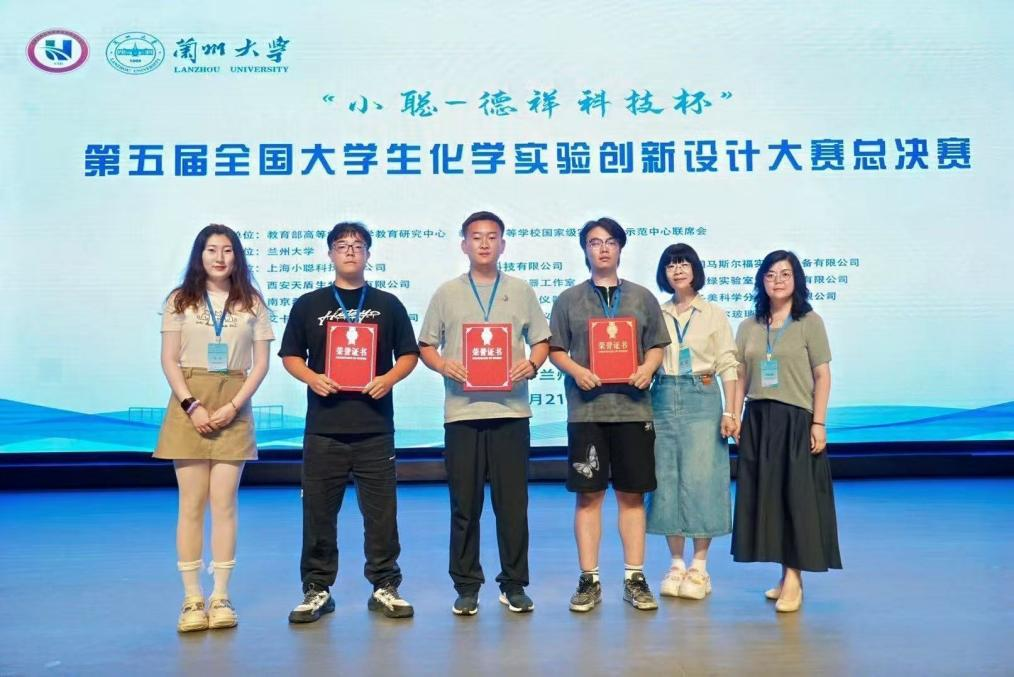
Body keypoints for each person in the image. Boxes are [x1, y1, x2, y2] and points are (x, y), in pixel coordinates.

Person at [278, 222, 419, 623]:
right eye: (342, 245)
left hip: (375, 427)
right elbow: (291, 355)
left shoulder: (388, 304)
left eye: (358, 245)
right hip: (324, 427)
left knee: (382, 514)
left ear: (368, 254)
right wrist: (313, 378)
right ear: (330, 254)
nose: (351, 251)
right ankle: (317, 589)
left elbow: (408, 354)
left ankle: (385, 586)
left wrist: (388, 379)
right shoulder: (309, 304)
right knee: (318, 513)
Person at [418, 211, 551, 616]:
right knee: (465, 505)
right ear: (464, 244)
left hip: (512, 412)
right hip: (462, 413)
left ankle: (514, 584)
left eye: (492, 237)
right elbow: (426, 345)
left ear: (503, 244)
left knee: (513, 506)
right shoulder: (446, 293)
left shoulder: (521, 290)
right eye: (476, 237)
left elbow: (542, 341)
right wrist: (444, 365)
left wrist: (532, 363)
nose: (484, 243)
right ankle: (466, 586)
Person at [154, 224, 274, 632]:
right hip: (189, 400)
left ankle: (221, 595)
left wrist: (234, 406)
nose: (220, 258)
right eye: (211, 250)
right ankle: (192, 598)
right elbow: (169, 359)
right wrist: (191, 404)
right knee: (191, 504)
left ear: (237, 256)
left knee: (224, 504)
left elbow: (261, 365)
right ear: (199, 255)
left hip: (233, 401)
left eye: (227, 250)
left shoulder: (251, 302)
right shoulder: (179, 299)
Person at [548, 217, 670, 612]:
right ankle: (589, 579)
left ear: (620, 248)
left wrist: (647, 368)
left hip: (633, 410)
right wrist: (577, 371)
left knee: (632, 496)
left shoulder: (642, 297)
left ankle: (635, 578)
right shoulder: (568, 299)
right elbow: (555, 349)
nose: (603, 248)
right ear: (585, 250)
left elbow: (656, 345)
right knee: (589, 497)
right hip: (587, 412)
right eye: (595, 242)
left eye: (610, 242)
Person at [730, 250, 842, 613]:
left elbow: (822, 375)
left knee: (796, 500)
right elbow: (740, 377)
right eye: (770, 274)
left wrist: (818, 423)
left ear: (797, 280)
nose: (777, 280)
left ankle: (794, 579)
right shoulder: (748, 326)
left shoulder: (809, 322)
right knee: (771, 501)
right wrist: (734, 415)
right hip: (758, 420)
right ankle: (785, 575)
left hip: (795, 420)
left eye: (785, 274)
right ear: (761, 281)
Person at [646, 244, 739, 600]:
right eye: (670, 265)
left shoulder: (713, 313)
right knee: (666, 477)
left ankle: (700, 566)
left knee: (702, 477)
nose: (678, 270)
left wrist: (731, 412)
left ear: (695, 269)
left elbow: (728, 363)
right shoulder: (657, 312)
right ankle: (675, 563)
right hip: (662, 393)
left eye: (684, 263)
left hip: (702, 394)